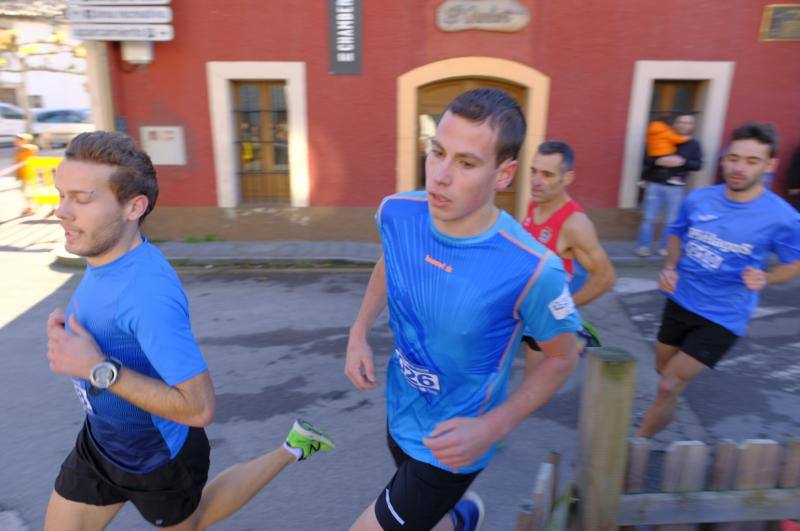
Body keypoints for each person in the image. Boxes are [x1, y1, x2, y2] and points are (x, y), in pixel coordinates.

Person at [45, 131, 333, 530]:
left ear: (134, 207)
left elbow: (199, 408)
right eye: (61, 194)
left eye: (81, 198)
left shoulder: (148, 294)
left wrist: (96, 368)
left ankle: (293, 447)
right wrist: (72, 337)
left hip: (160, 459)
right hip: (100, 443)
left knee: (195, 520)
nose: (61, 211)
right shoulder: (104, 257)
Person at [344, 89, 582, 531]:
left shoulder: (533, 268)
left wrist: (494, 427)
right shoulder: (397, 212)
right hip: (401, 409)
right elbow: (391, 261)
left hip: (458, 442)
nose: (440, 176)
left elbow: (562, 357)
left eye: (466, 163)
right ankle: (462, 515)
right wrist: (359, 332)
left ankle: (457, 506)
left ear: (503, 175)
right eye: (436, 153)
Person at [636, 122, 800, 440]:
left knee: (669, 382)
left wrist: (766, 277)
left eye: (752, 161)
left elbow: (794, 263)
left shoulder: (782, 217)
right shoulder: (699, 199)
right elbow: (677, 234)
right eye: (734, 158)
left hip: (723, 316)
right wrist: (670, 266)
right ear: (724, 159)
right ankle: (665, 407)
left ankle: (638, 442)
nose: (739, 168)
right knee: (664, 375)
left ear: (770, 165)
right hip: (681, 300)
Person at [520, 140, 616, 371]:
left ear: (567, 178)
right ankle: (575, 335)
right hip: (528, 301)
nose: (535, 181)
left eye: (547, 174)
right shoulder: (535, 204)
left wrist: (564, 308)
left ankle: (575, 334)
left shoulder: (575, 224)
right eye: (533, 171)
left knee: (533, 381)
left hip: (547, 313)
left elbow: (606, 278)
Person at [636, 114, 703, 257]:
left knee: (671, 220)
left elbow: (698, 165)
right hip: (655, 183)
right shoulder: (660, 136)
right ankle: (643, 246)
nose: (684, 125)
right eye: (680, 122)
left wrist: (683, 162)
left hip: (676, 187)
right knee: (648, 218)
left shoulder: (693, 144)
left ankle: (664, 247)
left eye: (688, 123)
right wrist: (657, 162)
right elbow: (646, 160)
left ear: (692, 126)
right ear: (675, 124)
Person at [13, 132, 40, 215]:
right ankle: (31, 206)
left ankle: (31, 207)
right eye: (16, 140)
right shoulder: (19, 149)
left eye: (19, 140)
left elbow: (30, 156)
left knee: (27, 191)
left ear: (25, 140)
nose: (16, 141)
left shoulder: (27, 148)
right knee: (25, 191)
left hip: (29, 174)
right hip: (23, 174)